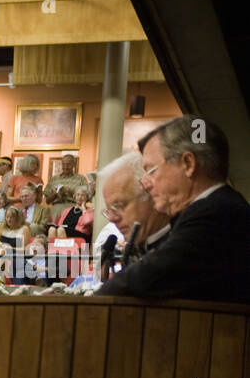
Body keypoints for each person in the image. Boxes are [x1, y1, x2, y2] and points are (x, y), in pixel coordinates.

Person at [96, 116, 248, 302]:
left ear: (188, 164)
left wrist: (94, 302)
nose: (145, 184)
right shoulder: (217, 207)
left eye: (151, 170)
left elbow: (149, 277)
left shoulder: (216, 213)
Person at [97, 151, 171, 267]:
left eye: (118, 206)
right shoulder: (138, 248)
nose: (112, 218)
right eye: (108, 211)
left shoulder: (182, 248)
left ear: (151, 195)